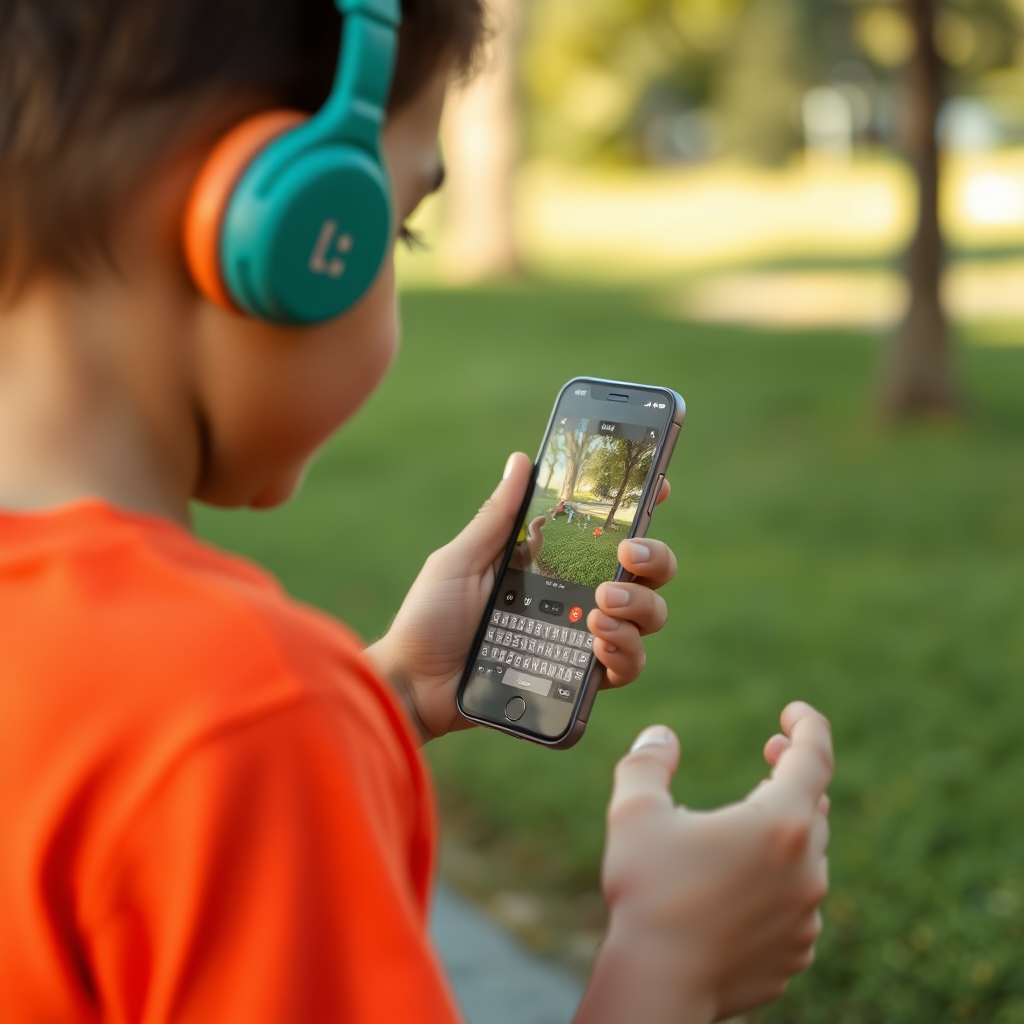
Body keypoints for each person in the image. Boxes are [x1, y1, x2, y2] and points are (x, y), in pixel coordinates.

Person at [0, 1, 834, 1021]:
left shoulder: (213, 723)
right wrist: (671, 967)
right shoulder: (239, 718)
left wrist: (384, 693)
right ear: (292, 227)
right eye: (397, 225)